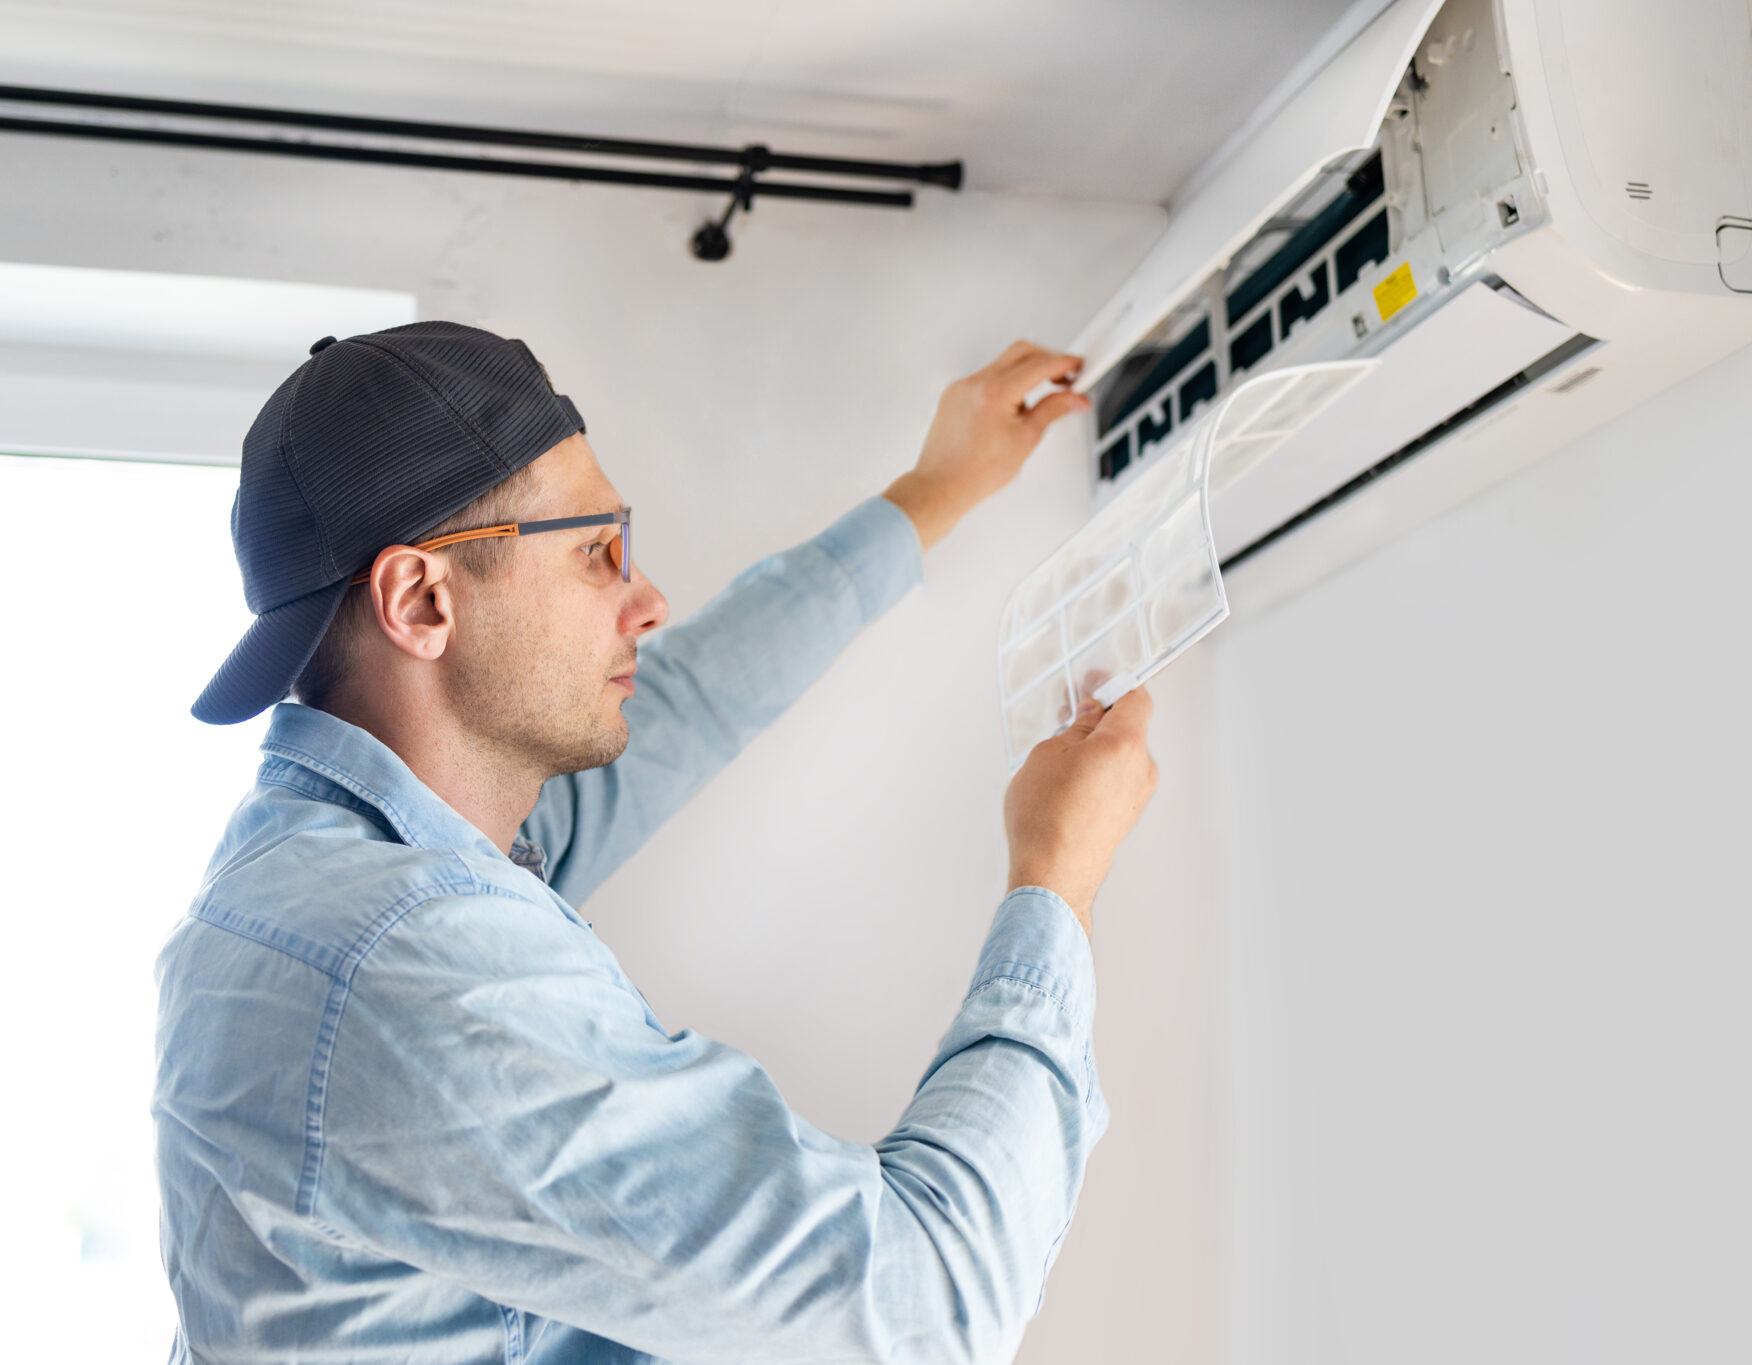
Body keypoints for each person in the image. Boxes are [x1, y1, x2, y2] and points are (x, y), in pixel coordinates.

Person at [156, 322, 1158, 1365]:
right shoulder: (410, 965)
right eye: (596, 552)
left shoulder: (334, 860)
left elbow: (680, 702)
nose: (646, 601)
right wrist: (1055, 883)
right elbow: (923, 1305)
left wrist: (932, 492)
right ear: (421, 601)